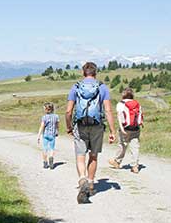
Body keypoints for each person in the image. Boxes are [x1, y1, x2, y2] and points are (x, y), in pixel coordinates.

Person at [66, 62, 116, 203]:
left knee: (80, 155)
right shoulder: (102, 87)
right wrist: (112, 131)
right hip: (96, 125)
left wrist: (69, 126)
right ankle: (91, 183)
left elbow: (68, 111)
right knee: (93, 156)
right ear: (95, 73)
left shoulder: (76, 87)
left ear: (83, 73)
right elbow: (107, 110)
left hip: (80, 125)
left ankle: (82, 179)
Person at [109, 87, 143, 173]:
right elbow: (140, 115)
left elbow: (119, 116)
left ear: (123, 95)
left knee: (122, 145)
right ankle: (135, 166)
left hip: (125, 128)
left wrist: (121, 128)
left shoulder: (121, 104)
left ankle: (117, 161)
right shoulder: (137, 104)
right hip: (135, 128)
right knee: (135, 147)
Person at [37, 102, 59, 169]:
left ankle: (45, 162)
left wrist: (38, 135)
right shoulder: (56, 117)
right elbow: (57, 125)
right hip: (52, 135)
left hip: (45, 135)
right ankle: (51, 158)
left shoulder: (44, 117)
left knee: (45, 149)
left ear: (46, 109)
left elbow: (42, 126)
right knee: (52, 148)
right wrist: (57, 131)